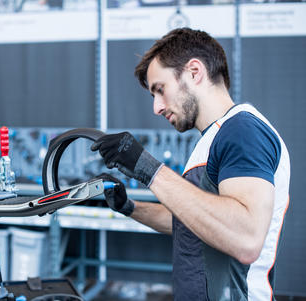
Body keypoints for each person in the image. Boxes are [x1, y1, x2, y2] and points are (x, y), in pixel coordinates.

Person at [92, 27, 290, 300]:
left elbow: (246, 239)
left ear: (195, 72)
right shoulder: (214, 137)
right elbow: (193, 220)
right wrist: (129, 207)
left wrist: (147, 169)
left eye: (160, 90)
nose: (157, 107)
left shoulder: (243, 130)